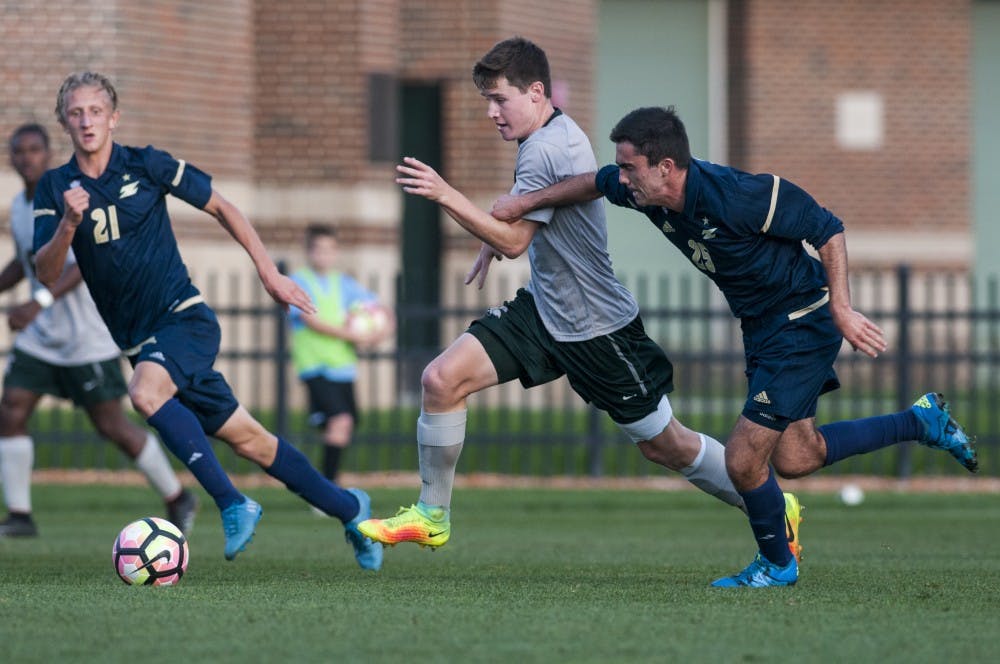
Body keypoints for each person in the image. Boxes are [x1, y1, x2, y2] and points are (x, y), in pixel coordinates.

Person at [492, 105, 978, 587]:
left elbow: (827, 229)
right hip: (763, 329)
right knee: (797, 456)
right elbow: (591, 183)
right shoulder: (645, 193)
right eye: (620, 165)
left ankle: (777, 564)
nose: (622, 177)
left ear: (665, 167)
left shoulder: (738, 196)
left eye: (629, 167)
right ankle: (922, 420)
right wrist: (522, 204)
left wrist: (843, 309)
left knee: (743, 459)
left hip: (801, 321)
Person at [358, 37, 804, 560]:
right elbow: (527, 220)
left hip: (597, 327)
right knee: (441, 378)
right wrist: (490, 232)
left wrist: (445, 195)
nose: (491, 112)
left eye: (500, 99)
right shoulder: (544, 135)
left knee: (664, 444)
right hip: (545, 311)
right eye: (488, 101)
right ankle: (432, 515)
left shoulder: (549, 147)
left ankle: (774, 504)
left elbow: (515, 239)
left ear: (536, 92)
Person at [30, 71, 382, 570]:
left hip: (184, 320)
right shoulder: (54, 187)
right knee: (251, 440)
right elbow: (45, 274)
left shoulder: (146, 163)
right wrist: (68, 223)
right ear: (64, 120)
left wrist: (270, 274)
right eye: (76, 112)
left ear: (114, 117)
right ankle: (353, 511)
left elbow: (223, 206)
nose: (86, 121)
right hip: (142, 342)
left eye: (95, 111)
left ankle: (233, 503)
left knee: (145, 393)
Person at [0, 123, 197, 538]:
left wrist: (39, 302)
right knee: (11, 410)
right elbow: (27, 260)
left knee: (112, 426)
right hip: (41, 339)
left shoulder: (68, 198)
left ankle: (177, 496)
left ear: (47, 153)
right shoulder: (21, 205)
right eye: (18, 151)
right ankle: (20, 515)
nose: (26, 158)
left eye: (34, 150)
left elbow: (78, 268)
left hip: (86, 336)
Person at [289, 224, 394, 483]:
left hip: (343, 367)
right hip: (315, 365)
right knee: (340, 421)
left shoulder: (343, 283)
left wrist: (383, 330)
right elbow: (310, 319)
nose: (324, 255)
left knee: (343, 426)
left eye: (329, 249)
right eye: (318, 249)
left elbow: (377, 308)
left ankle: (320, 485)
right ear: (309, 251)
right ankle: (327, 489)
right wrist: (354, 335)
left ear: (336, 252)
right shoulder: (299, 282)